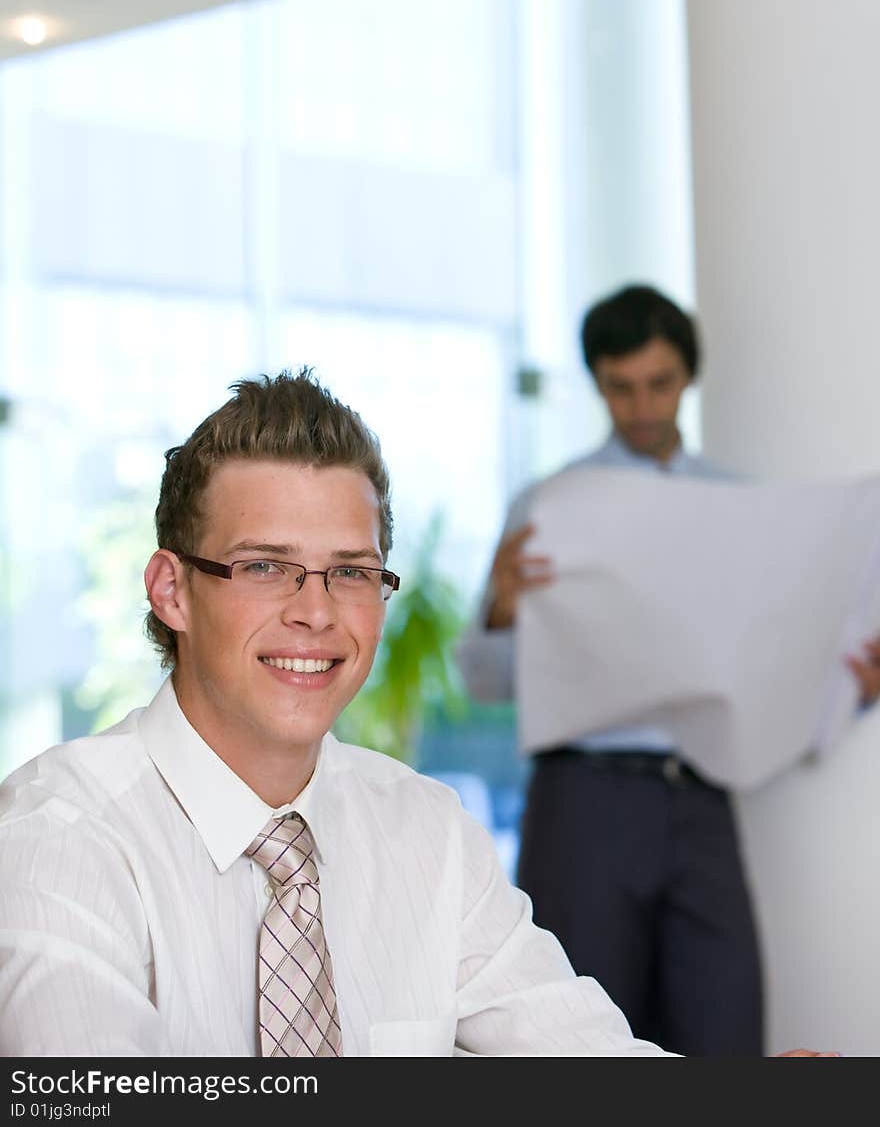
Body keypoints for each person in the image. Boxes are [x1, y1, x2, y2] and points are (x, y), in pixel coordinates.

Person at [0, 368, 837, 1059]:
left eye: (352, 572)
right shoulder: (59, 836)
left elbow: (586, 1061)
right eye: (266, 566)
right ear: (171, 590)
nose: (316, 612)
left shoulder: (426, 828)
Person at [456, 283, 880, 1057]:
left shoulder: (742, 508)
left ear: (687, 377)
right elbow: (483, 681)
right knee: (569, 1044)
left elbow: (772, 668)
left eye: (658, 383)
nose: (642, 406)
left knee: (727, 1028)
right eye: (621, 388)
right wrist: (500, 609)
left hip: (700, 798)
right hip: (583, 800)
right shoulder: (551, 504)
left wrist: (853, 689)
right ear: (598, 384)